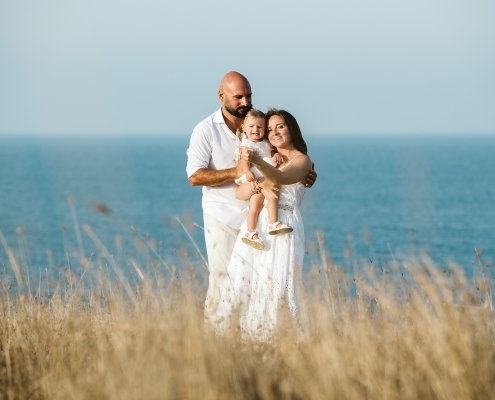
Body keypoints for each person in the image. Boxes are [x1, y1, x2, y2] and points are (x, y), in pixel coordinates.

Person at [186, 72, 316, 323]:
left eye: (249, 96)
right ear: (221, 95)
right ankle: (214, 344)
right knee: (225, 284)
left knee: (259, 288)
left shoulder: (258, 126)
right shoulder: (205, 130)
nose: (245, 102)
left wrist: (305, 174)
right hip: (223, 216)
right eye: (238, 97)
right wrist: (240, 172)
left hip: (259, 223)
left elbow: (286, 156)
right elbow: (194, 176)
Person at [212, 109, 312, 341]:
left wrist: (258, 164)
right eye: (269, 129)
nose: (274, 132)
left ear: (292, 129)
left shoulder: (302, 160)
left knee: (278, 285)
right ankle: (242, 341)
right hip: (257, 227)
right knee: (247, 282)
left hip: (283, 226)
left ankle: (277, 341)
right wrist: (258, 182)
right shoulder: (266, 158)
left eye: (280, 126)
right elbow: (240, 192)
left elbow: (283, 179)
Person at [234, 109, 292, 251]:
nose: (256, 130)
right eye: (252, 126)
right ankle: (273, 223)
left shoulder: (265, 143)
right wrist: (247, 172)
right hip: (255, 176)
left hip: (263, 176)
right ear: (244, 128)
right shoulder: (247, 144)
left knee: (256, 205)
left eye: (260, 127)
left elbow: (269, 154)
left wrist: (276, 154)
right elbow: (244, 159)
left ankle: (250, 232)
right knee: (272, 196)